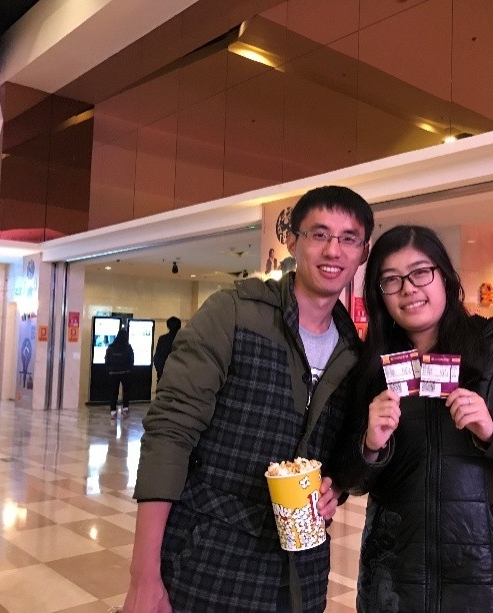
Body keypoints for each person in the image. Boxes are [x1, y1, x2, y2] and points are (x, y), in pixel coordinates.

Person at [124, 185, 374, 613]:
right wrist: (143, 574)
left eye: (348, 238)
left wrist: (334, 489)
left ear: (363, 252)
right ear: (292, 241)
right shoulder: (234, 313)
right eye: (319, 234)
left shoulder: (352, 351)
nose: (333, 250)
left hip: (301, 576)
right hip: (209, 563)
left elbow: (337, 456)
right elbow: (169, 433)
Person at [333, 225, 493, 612]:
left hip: (488, 577)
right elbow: (350, 480)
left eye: (420, 273)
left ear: (444, 276)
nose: (408, 289)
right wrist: (369, 445)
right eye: (391, 280)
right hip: (394, 582)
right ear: (379, 294)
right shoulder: (372, 365)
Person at [105, 328, 134, 418]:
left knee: (113, 391)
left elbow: (107, 359)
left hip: (113, 372)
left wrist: (109, 369)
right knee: (126, 390)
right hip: (125, 372)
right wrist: (130, 369)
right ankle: (125, 408)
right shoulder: (128, 347)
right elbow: (131, 360)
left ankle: (113, 411)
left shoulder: (111, 347)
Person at [152, 316, 181, 381]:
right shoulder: (183, 340)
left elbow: (157, 357)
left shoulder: (162, 339)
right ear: (179, 327)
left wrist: (160, 370)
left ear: (168, 326)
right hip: (179, 376)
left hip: (163, 374)